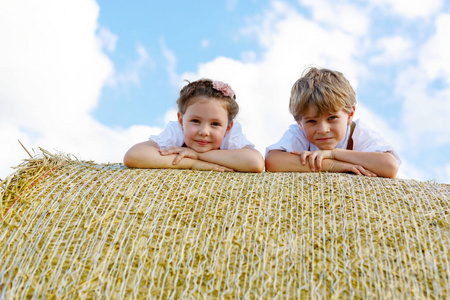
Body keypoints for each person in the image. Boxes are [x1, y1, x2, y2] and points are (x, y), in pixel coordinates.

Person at [265, 67, 400, 178]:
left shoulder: (360, 133)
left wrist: (333, 153)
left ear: (350, 114)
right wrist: (333, 165)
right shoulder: (299, 133)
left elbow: (390, 166)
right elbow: (273, 161)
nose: (323, 129)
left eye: (332, 118)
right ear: (299, 122)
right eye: (312, 121)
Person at [124, 79, 264, 173]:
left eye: (215, 124)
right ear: (181, 120)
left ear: (227, 128)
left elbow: (256, 163)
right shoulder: (176, 131)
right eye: (196, 121)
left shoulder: (231, 135)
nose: (204, 131)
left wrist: (197, 154)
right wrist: (191, 163)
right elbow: (134, 156)